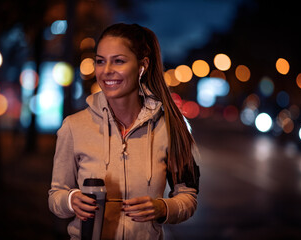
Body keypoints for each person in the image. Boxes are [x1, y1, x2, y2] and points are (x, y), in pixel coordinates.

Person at [48, 23, 200, 240]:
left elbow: (188, 196)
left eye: (118, 61)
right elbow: (56, 196)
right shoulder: (73, 126)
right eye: (100, 61)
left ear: (142, 66)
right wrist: (70, 200)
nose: (106, 70)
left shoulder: (171, 127)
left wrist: (163, 208)